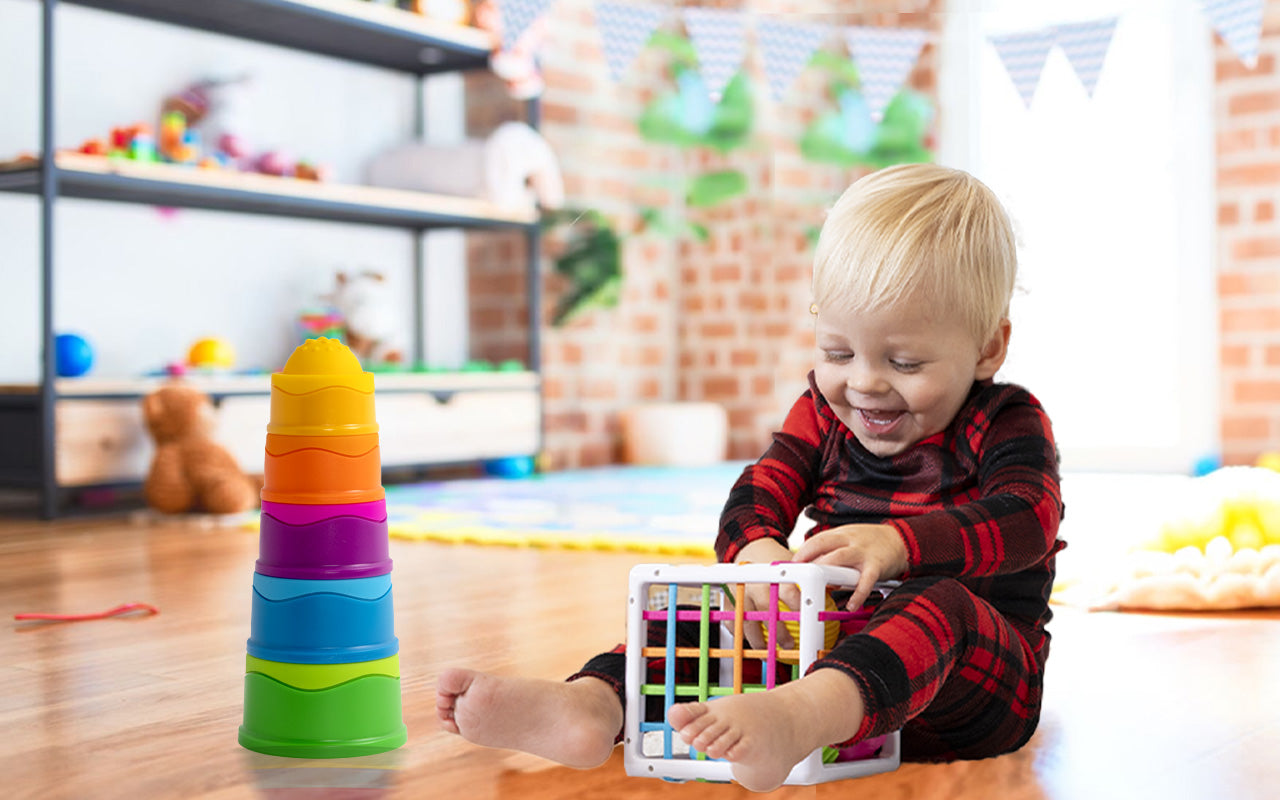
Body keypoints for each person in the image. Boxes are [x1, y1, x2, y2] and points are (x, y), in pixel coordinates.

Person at [436, 163, 1065, 793]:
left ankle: (799, 718)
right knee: (709, 614)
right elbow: (756, 493)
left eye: (904, 362)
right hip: (826, 649)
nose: (865, 382)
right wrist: (758, 556)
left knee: (941, 604)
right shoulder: (824, 413)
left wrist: (901, 545)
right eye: (838, 353)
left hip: (974, 692)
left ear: (988, 348)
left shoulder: (1006, 418)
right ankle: (594, 706)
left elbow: (1028, 517)